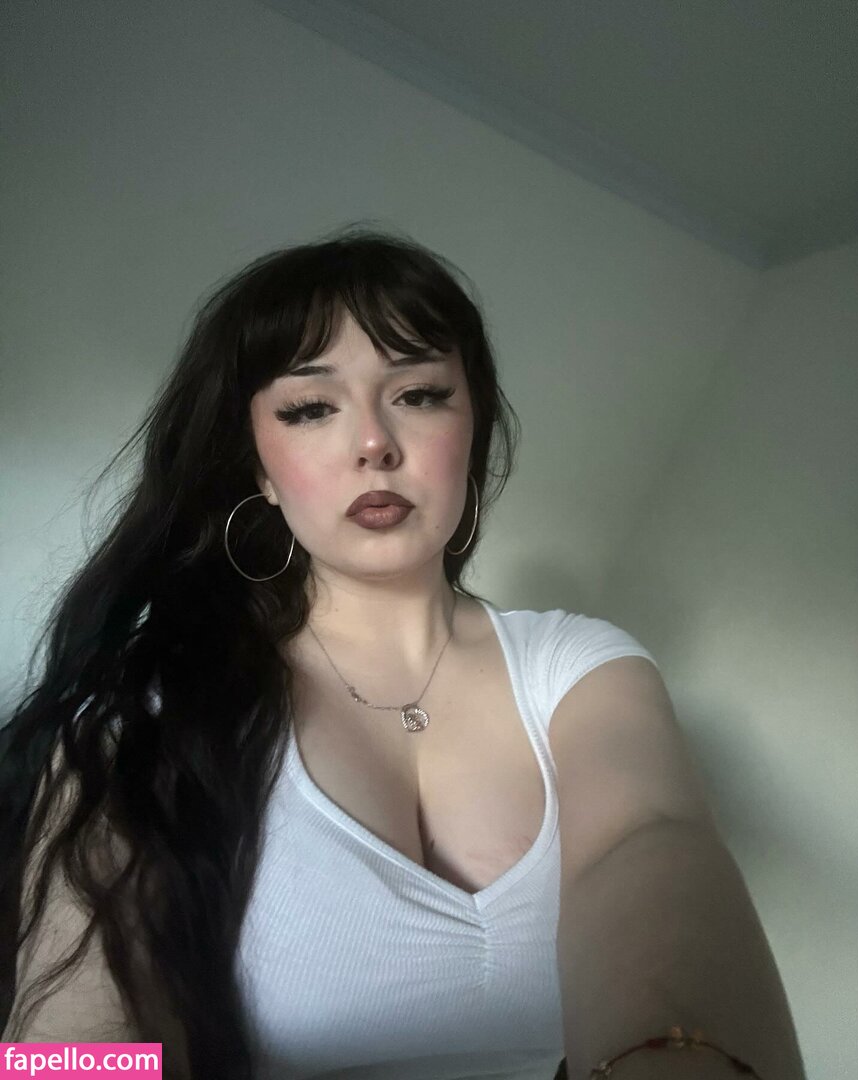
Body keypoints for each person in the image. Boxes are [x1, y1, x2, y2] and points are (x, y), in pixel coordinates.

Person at [0, 227, 807, 1080]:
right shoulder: (148, 714)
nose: (374, 443)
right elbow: (68, 1042)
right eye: (311, 408)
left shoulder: (579, 668)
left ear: (472, 429)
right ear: (260, 470)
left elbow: (650, 842)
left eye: (419, 394)